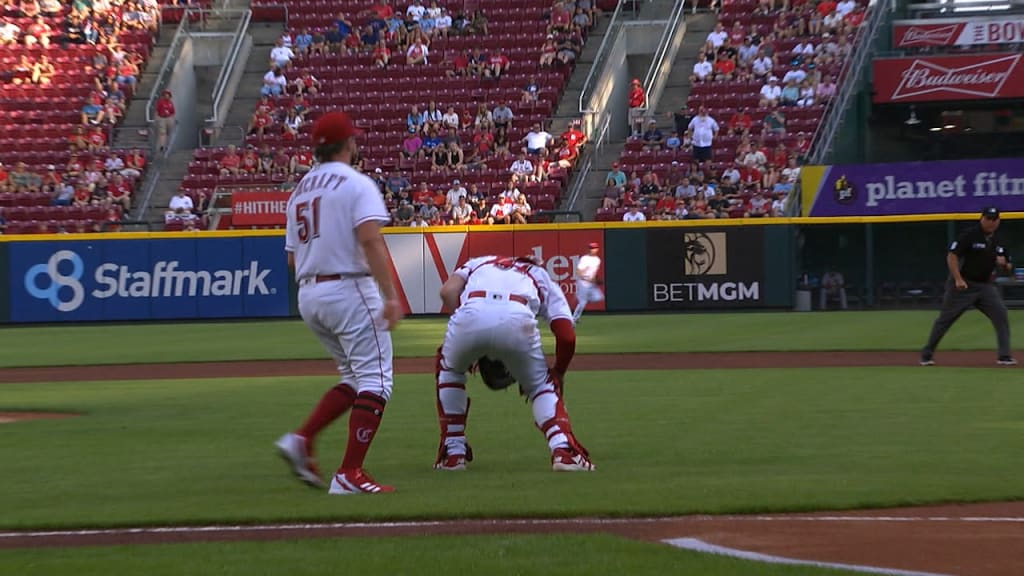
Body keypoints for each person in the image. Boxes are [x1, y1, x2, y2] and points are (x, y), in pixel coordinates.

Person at [275, 110, 404, 495]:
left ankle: (301, 439)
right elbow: (370, 239)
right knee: (378, 381)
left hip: (310, 293)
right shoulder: (355, 182)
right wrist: (391, 296)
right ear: (348, 144)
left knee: (354, 377)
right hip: (348, 288)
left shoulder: (300, 190)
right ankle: (350, 473)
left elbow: (291, 258)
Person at [433, 255, 595, 472]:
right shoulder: (540, 274)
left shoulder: (478, 262)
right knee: (541, 386)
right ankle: (564, 451)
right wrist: (558, 372)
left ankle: (452, 454)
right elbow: (567, 336)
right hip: (516, 318)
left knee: (450, 371)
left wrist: (468, 338)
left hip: (470, 312)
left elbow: (446, 292)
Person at [921, 207, 1016, 366]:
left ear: (998, 221)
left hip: (985, 286)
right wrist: (958, 279)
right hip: (963, 285)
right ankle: (926, 354)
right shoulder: (970, 235)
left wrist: (1005, 264)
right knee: (945, 320)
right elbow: (952, 256)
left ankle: (1004, 356)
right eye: (988, 219)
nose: (991, 222)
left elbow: (1009, 267)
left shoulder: (999, 240)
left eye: (994, 219)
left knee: (1000, 314)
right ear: (982, 219)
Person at [573, 242, 603, 323]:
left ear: (597, 249)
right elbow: (579, 272)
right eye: (591, 248)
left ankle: (580, 297)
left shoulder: (597, 260)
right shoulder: (585, 258)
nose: (593, 250)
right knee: (582, 302)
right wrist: (585, 278)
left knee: (598, 297)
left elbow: (593, 272)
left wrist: (595, 280)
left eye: (594, 248)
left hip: (590, 282)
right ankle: (574, 319)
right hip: (582, 282)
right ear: (589, 249)